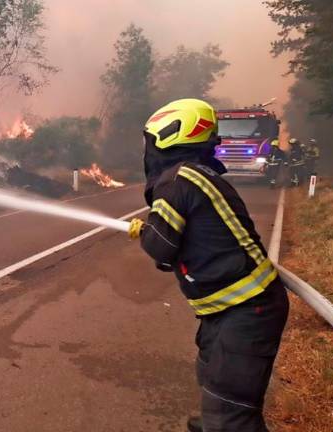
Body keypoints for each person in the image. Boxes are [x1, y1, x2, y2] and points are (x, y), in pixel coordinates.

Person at [127, 99, 289, 432]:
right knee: (211, 376)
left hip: (246, 309)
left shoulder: (176, 181)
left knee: (230, 412)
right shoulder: (195, 175)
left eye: (150, 141)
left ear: (169, 134)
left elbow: (161, 248)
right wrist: (154, 232)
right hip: (231, 308)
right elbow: (185, 243)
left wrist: (147, 232)